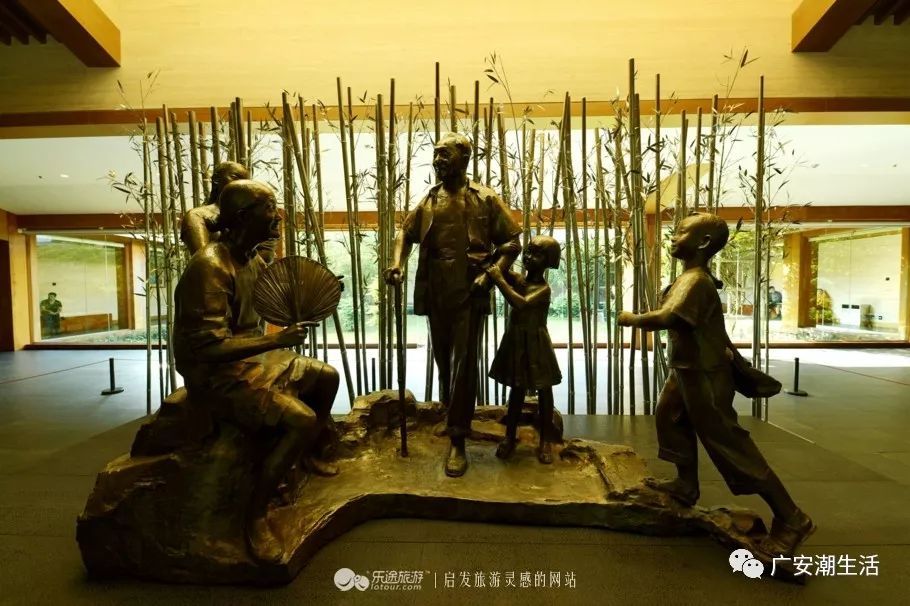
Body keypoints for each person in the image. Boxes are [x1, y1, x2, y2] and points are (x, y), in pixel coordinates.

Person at [618, 213, 814, 557]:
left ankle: (792, 517)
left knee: (727, 442)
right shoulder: (691, 278)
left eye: (681, 232)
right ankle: (685, 484)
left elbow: (667, 317)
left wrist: (631, 318)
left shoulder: (696, 281)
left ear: (704, 242)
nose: (673, 236)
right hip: (685, 369)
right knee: (670, 417)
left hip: (704, 374)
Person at [173, 179, 339, 562]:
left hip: (253, 360)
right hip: (217, 375)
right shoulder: (210, 267)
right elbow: (208, 347)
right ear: (244, 217)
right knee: (300, 419)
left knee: (327, 376)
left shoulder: (253, 260)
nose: (277, 216)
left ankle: (306, 454)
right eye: (269, 208)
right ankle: (255, 515)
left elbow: (267, 303)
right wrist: (277, 342)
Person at [384, 133, 521, 477]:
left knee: (463, 364)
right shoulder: (430, 199)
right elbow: (405, 234)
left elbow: (511, 244)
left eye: (444, 155)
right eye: (435, 155)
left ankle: (458, 438)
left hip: (469, 291)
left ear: (464, 158)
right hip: (436, 290)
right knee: (444, 360)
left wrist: (489, 277)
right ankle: (451, 415)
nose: (438, 161)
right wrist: (397, 263)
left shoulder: (485, 199)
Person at [485, 235, 562, 464]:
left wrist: (499, 280)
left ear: (549, 261)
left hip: (537, 344)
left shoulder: (543, 289)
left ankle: (545, 440)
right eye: (528, 251)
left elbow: (521, 302)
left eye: (536, 254)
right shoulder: (519, 279)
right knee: (516, 390)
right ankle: (509, 437)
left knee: (544, 391)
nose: (528, 257)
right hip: (517, 341)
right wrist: (503, 250)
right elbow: (498, 266)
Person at [180, 161, 278, 262]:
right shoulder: (197, 215)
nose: (241, 184)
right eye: (236, 177)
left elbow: (265, 256)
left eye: (246, 181)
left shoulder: (255, 215)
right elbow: (202, 259)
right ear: (216, 180)